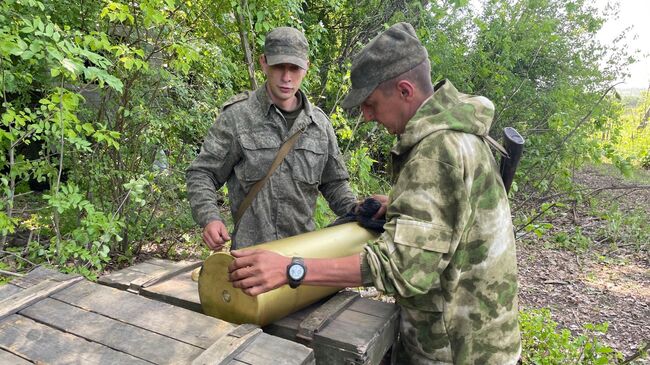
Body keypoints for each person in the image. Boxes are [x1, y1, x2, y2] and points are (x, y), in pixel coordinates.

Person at [227, 22, 521, 364]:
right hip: (484, 338)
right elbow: (462, 214)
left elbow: (399, 270)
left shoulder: (435, 152)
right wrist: (400, 206)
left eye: (371, 103)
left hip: (453, 348)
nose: (366, 116)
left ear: (405, 91)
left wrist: (292, 269)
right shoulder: (461, 133)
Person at [186, 27, 358, 250]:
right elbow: (202, 173)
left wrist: (357, 210)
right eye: (279, 67)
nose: (286, 78)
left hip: (300, 260)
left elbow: (334, 184)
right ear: (264, 62)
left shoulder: (319, 125)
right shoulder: (238, 118)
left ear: (307, 67)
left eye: (295, 68)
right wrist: (210, 218)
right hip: (249, 259)